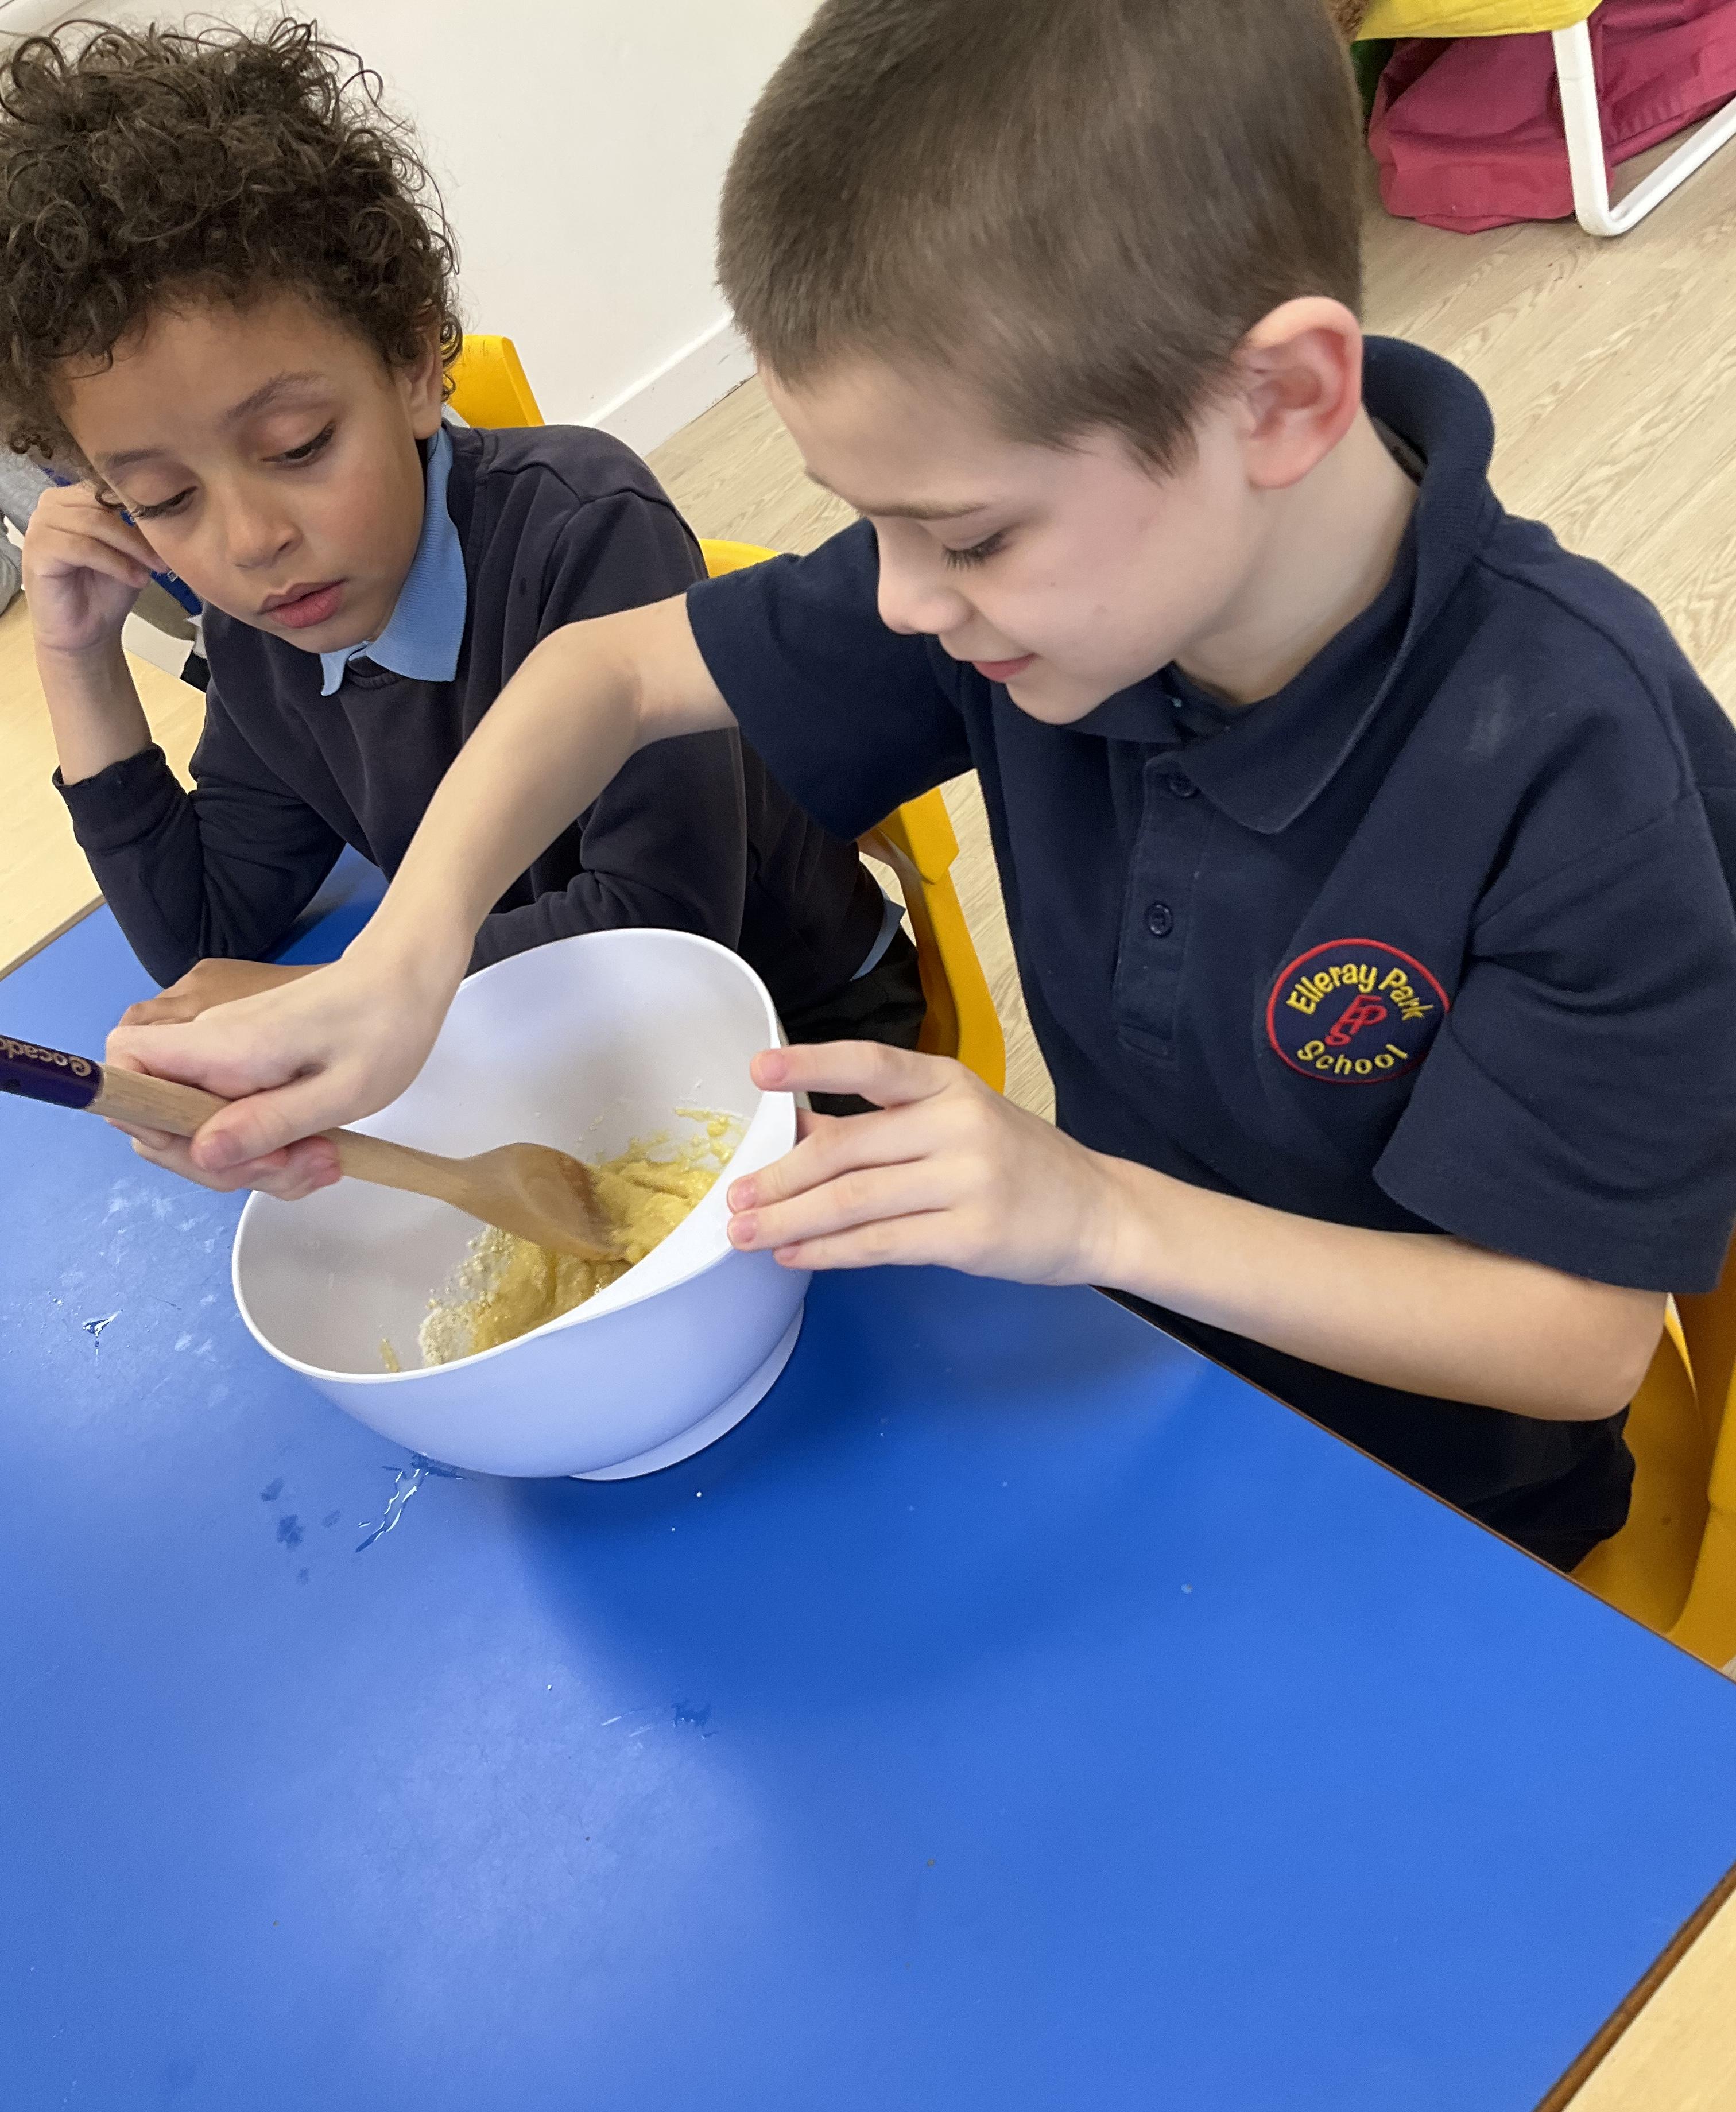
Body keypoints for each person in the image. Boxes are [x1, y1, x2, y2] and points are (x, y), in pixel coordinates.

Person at [106, 0, 1736, 1570]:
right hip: (1120, 1360)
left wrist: (1093, 1215)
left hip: (1429, 1509)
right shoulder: (1051, 592)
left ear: (1280, 400)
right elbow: (605, 674)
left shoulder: (1577, 763)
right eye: (865, 520)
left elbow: (1576, 1339)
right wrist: (405, 968)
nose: (896, 601)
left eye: (965, 534)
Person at [0, 20, 921, 1088]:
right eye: (164, 499)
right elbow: (207, 929)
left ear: (409, 364)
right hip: (538, 1042)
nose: (252, 542)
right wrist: (77, 659)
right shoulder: (268, 629)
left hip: (790, 1023)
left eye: (299, 446)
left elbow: (664, 921)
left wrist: (328, 994)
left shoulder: (582, 530)